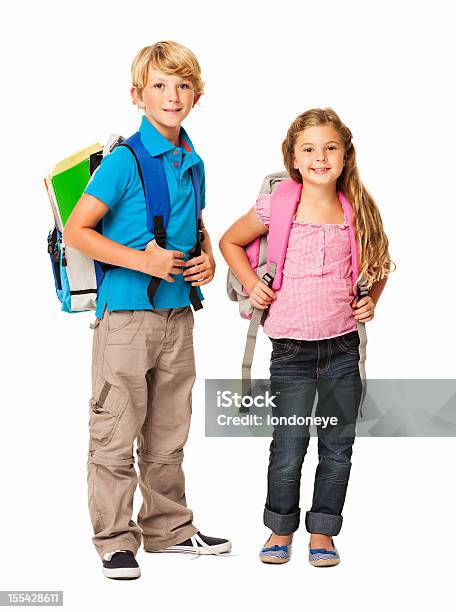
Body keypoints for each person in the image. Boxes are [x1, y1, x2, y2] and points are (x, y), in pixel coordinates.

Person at [64, 40, 231, 580]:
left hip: (178, 319)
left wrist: (205, 258)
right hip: (126, 321)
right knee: (115, 431)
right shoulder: (123, 162)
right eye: (159, 85)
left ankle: (168, 530)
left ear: (197, 95)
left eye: (182, 85)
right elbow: (78, 230)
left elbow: (192, 227)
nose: (172, 95)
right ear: (138, 96)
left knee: (168, 433)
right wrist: (143, 261)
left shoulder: (193, 161)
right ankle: (115, 539)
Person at [219, 108, 392, 566]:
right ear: (293, 159)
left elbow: (381, 262)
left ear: (345, 155)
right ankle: (280, 530)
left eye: (330, 148)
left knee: (337, 448)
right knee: (289, 447)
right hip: (290, 353)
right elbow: (230, 242)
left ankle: (323, 533)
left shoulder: (358, 208)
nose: (321, 157)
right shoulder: (276, 207)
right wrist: (251, 283)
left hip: (342, 350)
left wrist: (371, 299)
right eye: (310, 149)